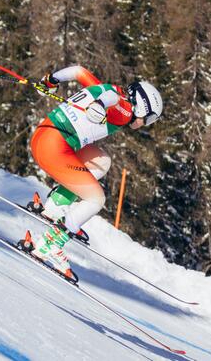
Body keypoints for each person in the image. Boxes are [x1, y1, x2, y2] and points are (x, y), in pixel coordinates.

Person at [24, 65, 163, 278]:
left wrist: (51, 80)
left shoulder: (109, 88)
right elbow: (113, 101)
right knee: (96, 200)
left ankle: (56, 206)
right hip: (53, 149)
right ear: (142, 107)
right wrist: (100, 104)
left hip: (44, 135)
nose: (146, 124)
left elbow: (78, 71)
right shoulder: (125, 110)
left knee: (102, 161)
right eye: (150, 118)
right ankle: (49, 245)